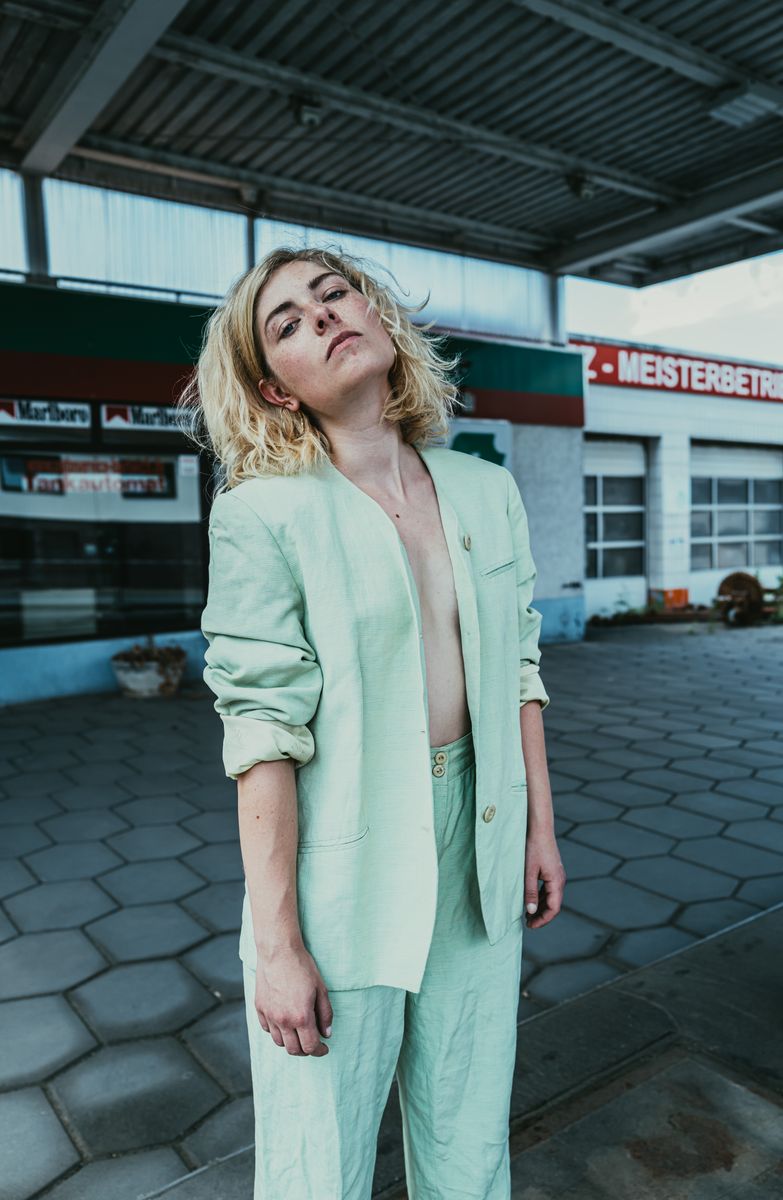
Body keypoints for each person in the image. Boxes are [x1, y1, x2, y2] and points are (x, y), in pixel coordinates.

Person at [184, 244, 566, 1199]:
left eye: (333, 293)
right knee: (319, 1160)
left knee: (469, 1135)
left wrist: (537, 829)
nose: (322, 314)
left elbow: (519, 669)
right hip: (339, 865)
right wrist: (278, 946)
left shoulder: (483, 488)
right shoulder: (263, 515)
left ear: (377, 317)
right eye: (287, 323)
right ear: (276, 390)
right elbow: (261, 732)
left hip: (477, 837)